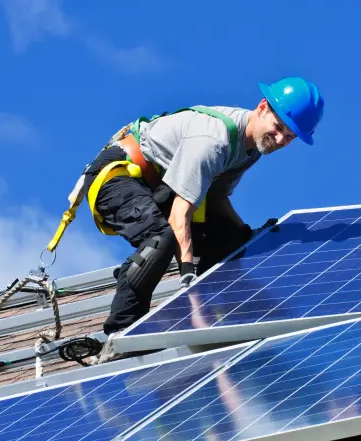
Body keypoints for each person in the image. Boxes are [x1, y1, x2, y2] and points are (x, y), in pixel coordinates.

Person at [73, 77, 324, 363]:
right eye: (279, 128)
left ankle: (217, 309)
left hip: (159, 187)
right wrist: (188, 280)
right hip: (117, 176)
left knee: (232, 240)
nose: (280, 140)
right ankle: (121, 333)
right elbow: (180, 216)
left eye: (289, 137)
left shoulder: (251, 149)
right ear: (263, 107)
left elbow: (215, 199)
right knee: (161, 239)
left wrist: (245, 235)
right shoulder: (214, 141)